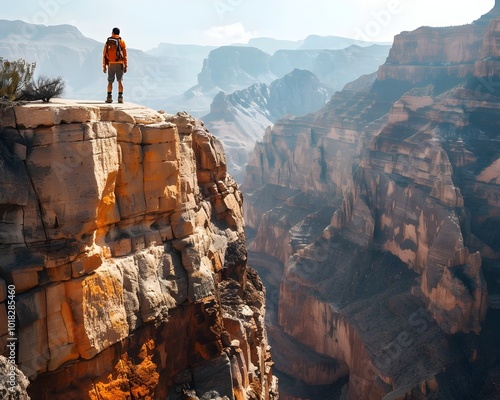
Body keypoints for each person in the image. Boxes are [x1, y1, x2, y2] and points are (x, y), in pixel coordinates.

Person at [102, 27, 128, 103]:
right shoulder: (122, 41)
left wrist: (104, 66)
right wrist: (126, 65)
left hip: (111, 64)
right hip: (119, 63)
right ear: (119, 33)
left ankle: (109, 97)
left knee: (110, 81)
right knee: (120, 81)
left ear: (112, 33)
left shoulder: (108, 42)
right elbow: (125, 55)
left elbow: (104, 54)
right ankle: (120, 98)